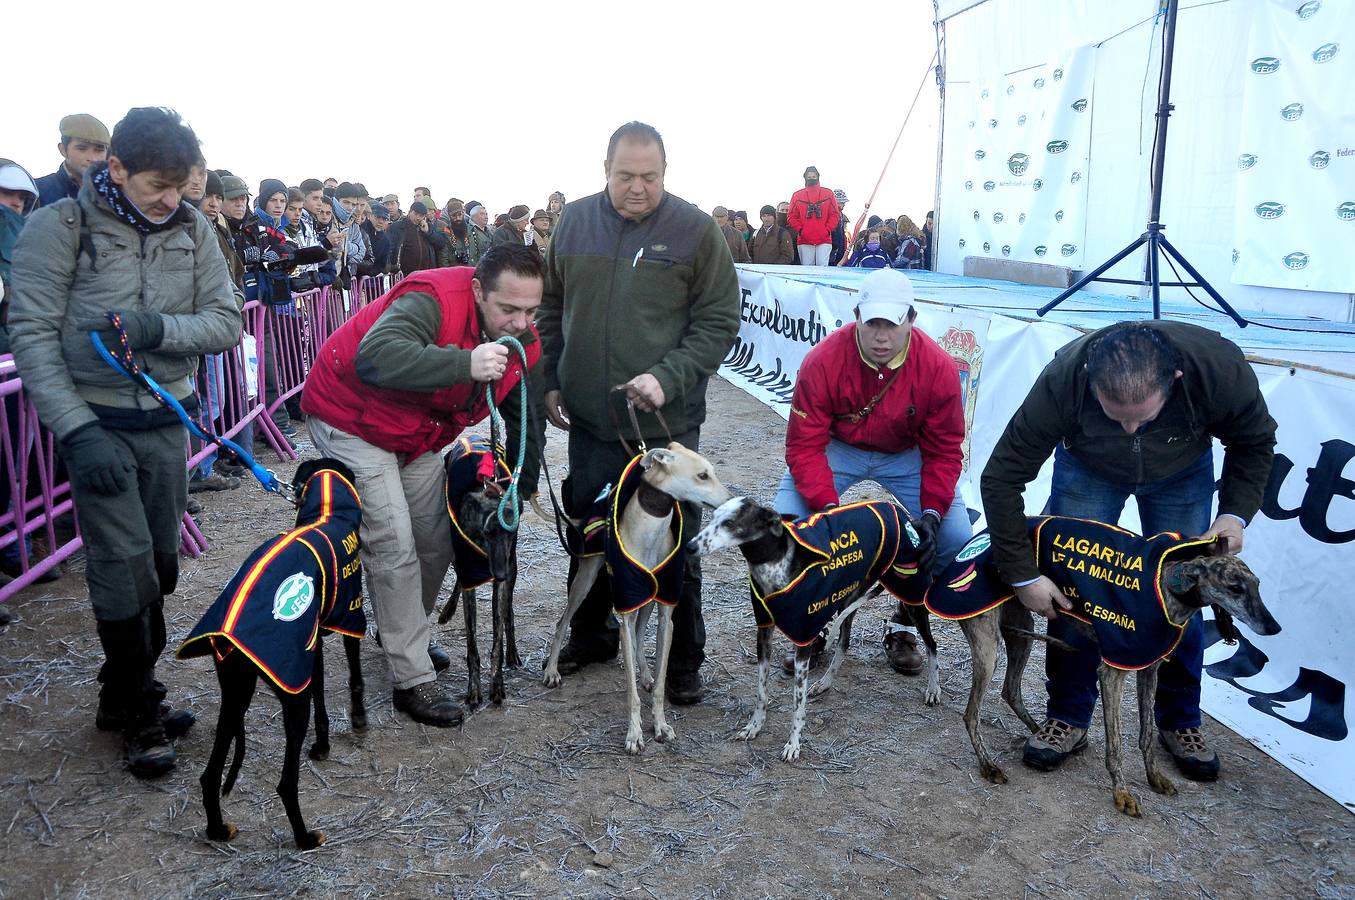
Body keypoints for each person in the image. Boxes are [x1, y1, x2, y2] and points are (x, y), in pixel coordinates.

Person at [8, 107, 242, 777]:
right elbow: (32, 335)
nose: (173, 200)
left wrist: (153, 328)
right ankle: (140, 708)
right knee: (123, 566)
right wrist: (78, 433)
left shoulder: (193, 228)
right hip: (97, 424)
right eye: (157, 186)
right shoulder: (58, 228)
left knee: (160, 566)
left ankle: (119, 693)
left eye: (181, 185)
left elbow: (225, 321)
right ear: (114, 168)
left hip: (167, 422)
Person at [980, 320, 1278, 781]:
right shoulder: (1064, 380)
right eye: (1116, 414)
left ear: (1174, 380)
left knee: (1183, 595)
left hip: (1181, 468)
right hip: (1087, 468)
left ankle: (1180, 719)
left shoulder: (1217, 369)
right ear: (1091, 383)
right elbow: (1001, 477)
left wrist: (1235, 514)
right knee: (1077, 591)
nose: (1130, 427)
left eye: (1142, 415)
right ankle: (1069, 715)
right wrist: (1023, 575)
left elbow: (1254, 441)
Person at [537, 121, 741, 704]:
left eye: (649, 177)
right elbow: (550, 305)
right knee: (592, 528)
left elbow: (719, 319)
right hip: (591, 421)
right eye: (625, 176)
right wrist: (551, 378)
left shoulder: (696, 231)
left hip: (664, 425)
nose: (637, 187)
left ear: (665, 173)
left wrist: (668, 376)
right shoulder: (573, 222)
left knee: (675, 539)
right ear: (605, 171)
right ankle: (594, 634)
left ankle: (680, 662)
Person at [301, 243, 545, 728]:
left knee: (436, 541)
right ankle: (410, 677)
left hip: (416, 432)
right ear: (478, 291)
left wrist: (523, 482)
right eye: (509, 309)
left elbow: (523, 415)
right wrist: (464, 364)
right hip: (350, 418)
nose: (521, 323)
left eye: (532, 310)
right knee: (392, 542)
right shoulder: (431, 298)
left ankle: (402, 630)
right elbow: (377, 355)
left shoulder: (523, 343)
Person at [776, 267, 970, 673]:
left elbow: (945, 449)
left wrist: (933, 510)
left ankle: (905, 621)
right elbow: (804, 445)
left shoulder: (938, 368)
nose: (882, 336)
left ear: (912, 320)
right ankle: (813, 623)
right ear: (857, 317)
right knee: (793, 524)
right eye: (873, 324)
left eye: (893, 325)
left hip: (905, 454)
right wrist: (827, 511)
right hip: (839, 447)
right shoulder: (823, 360)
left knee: (954, 538)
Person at [35, 114, 110, 208]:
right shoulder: (37, 192)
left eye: (99, 150)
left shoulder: (117, 194)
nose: (92, 158)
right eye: (82, 148)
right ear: (63, 150)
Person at [787, 166, 839, 266]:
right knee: (807, 269)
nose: (811, 178)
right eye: (809, 176)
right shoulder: (797, 195)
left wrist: (827, 229)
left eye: (814, 176)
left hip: (824, 238)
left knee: (822, 268)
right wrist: (801, 230)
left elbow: (834, 214)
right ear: (805, 178)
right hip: (804, 239)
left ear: (818, 177)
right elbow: (791, 216)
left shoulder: (828, 194)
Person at [387, 200, 437, 274]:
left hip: (425, 273)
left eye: (421, 216)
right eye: (416, 214)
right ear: (410, 212)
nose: (418, 218)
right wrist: (392, 268)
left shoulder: (426, 227)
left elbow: (440, 243)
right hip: (403, 274)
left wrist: (428, 232)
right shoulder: (398, 227)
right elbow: (390, 249)